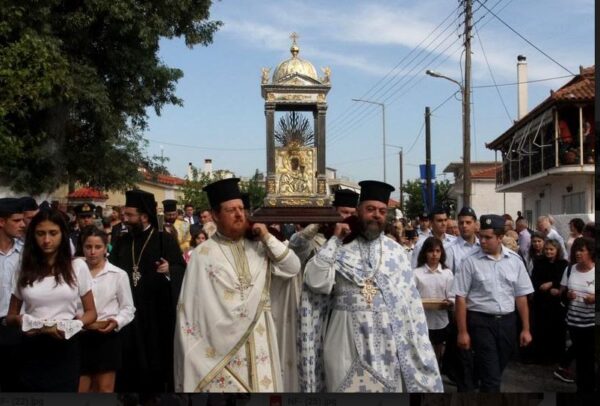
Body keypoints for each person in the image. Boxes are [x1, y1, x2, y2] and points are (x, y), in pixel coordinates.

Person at [300, 180, 442, 392]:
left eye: (382, 211)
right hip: (343, 339)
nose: (377, 215)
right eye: (370, 209)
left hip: (385, 342)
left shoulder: (396, 252)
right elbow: (315, 280)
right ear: (358, 211)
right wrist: (335, 240)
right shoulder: (338, 246)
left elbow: (410, 306)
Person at [174, 178, 301, 392]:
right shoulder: (202, 254)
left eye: (241, 209)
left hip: (260, 337)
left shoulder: (260, 247)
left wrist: (267, 236)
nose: (239, 214)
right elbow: (192, 313)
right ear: (215, 215)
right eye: (231, 210)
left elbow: (293, 267)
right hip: (221, 350)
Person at [6, 209, 97, 391]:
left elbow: (91, 312)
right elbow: (10, 316)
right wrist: (22, 320)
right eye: (40, 234)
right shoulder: (23, 268)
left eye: (53, 233)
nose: (46, 240)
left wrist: (75, 324)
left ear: (63, 235)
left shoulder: (77, 266)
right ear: (33, 236)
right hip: (32, 345)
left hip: (65, 345)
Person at [109, 189, 186, 392]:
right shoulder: (122, 241)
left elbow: (181, 269)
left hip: (156, 313)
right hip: (129, 311)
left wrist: (170, 270)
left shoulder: (164, 240)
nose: (125, 219)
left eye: (129, 215)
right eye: (124, 214)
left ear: (144, 216)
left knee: (155, 358)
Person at [453, 214, 533, 392]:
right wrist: (462, 332)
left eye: (488, 237)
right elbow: (460, 297)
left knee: (495, 370)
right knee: (492, 378)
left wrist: (526, 329)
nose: (482, 241)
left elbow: (521, 296)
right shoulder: (470, 261)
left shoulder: (514, 261)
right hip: (481, 322)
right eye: (481, 236)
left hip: (507, 323)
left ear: (499, 237)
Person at [78, 226, 135, 393]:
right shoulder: (74, 273)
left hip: (106, 337)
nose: (92, 252)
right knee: (81, 388)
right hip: (79, 335)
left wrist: (116, 321)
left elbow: (128, 307)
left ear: (105, 248)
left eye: (98, 247)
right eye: (88, 247)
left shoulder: (118, 274)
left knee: (104, 388)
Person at [559, 237, 595, 392]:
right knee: (581, 359)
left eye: (582, 250)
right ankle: (583, 388)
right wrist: (568, 295)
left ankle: (589, 388)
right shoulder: (570, 269)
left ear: (590, 252)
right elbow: (562, 292)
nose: (577, 253)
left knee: (589, 358)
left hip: (592, 324)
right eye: (576, 250)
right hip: (574, 323)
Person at [413, 237, 454, 367]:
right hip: (422, 319)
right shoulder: (416, 273)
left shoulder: (447, 273)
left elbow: (452, 295)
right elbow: (411, 296)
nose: (434, 254)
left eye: (437, 251)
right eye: (431, 251)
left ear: (442, 253)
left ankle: (437, 369)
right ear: (425, 253)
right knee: (423, 349)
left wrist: (450, 302)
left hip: (441, 319)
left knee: (438, 349)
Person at [0, 198, 26, 391]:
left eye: (23, 220)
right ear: (2, 222)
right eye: (16, 220)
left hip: (18, 328)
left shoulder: (26, 254)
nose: (23, 224)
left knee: (17, 385)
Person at [530, 240, 568, 364]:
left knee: (556, 329)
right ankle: (541, 356)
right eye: (546, 249)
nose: (548, 251)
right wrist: (542, 286)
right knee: (541, 328)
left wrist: (552, 284)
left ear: (557, 250)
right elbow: (534, 278)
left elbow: (564, 280)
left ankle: (556, 356)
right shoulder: (539, 262)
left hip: (556, 302)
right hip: (541, 300)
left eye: (551, 249)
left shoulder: (563, 264)